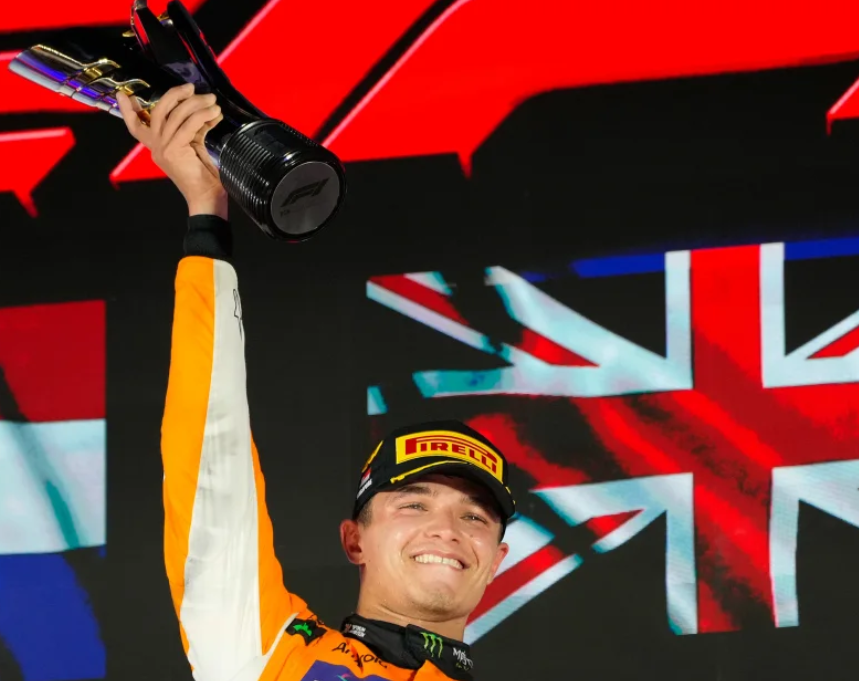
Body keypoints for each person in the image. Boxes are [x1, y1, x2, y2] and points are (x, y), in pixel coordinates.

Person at [115, 84, 516, 681]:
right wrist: (206, 216)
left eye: (476, 517)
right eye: (412, 503)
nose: (447, 529)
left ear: (496, 561)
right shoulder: (273, 655)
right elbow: (210, 463)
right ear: (354, 540)